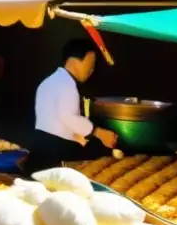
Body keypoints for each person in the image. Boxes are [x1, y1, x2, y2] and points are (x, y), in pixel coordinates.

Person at [27, 38, 118, 172]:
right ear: (76, 60)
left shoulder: (50, 80)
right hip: (55, 151)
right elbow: (68, 117)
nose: (92, 70)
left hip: (41, 145)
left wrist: (80, 137)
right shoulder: (66, 85)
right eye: (90, 63)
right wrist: (99, 133)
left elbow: (59, 121)